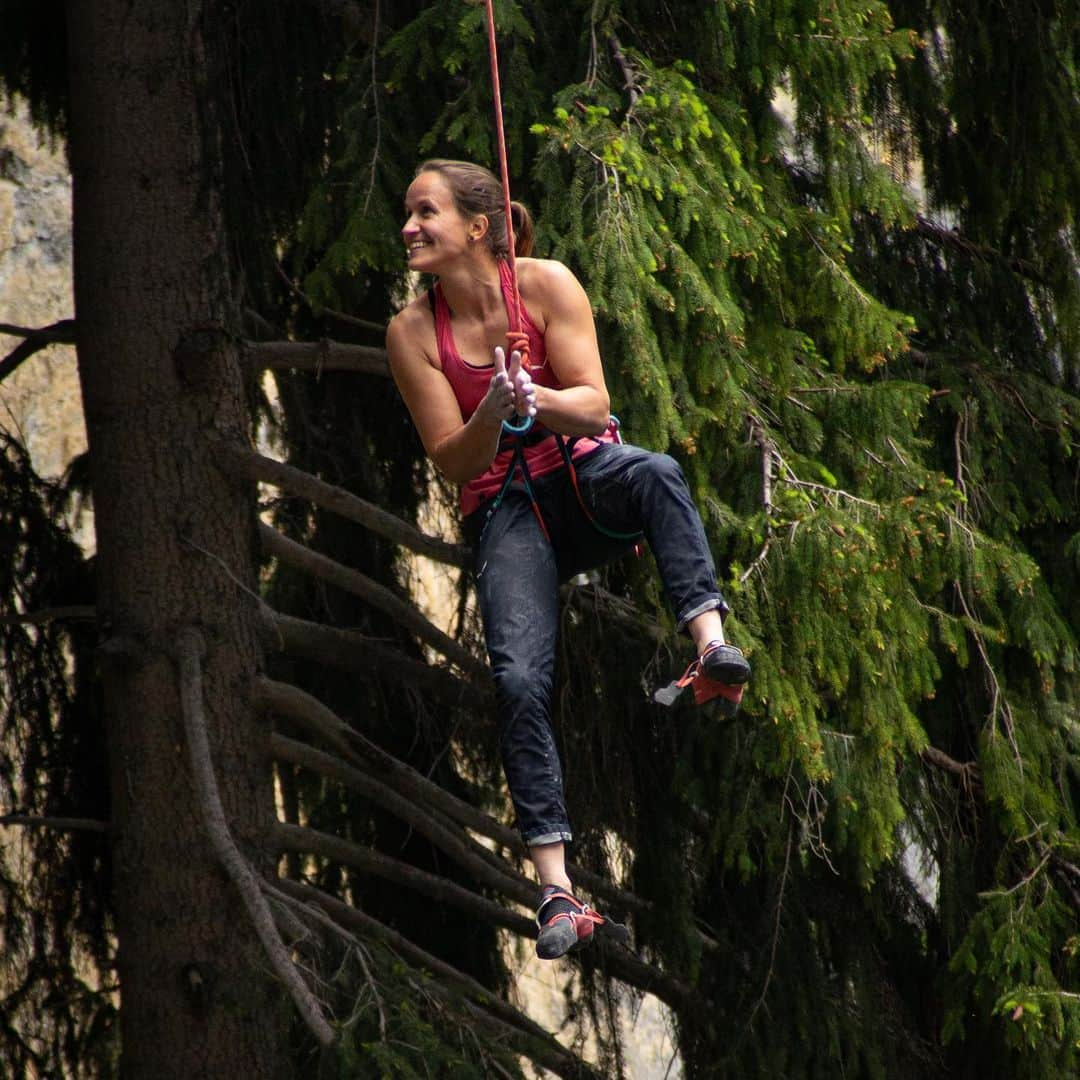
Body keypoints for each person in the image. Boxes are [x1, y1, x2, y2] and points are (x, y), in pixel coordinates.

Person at [386, 159, 751, 960]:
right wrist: (492, 404)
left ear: (477, 230)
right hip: (508, 513)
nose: (408, 227)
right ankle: (557, 887)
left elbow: (593, 402)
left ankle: (709, 648)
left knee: (656, 471)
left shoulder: (545, 285)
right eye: (408, 215)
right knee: (518, 677)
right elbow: (452, 459)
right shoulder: (413, 334)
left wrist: (536, 398)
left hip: (583, 475)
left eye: (425, 213)